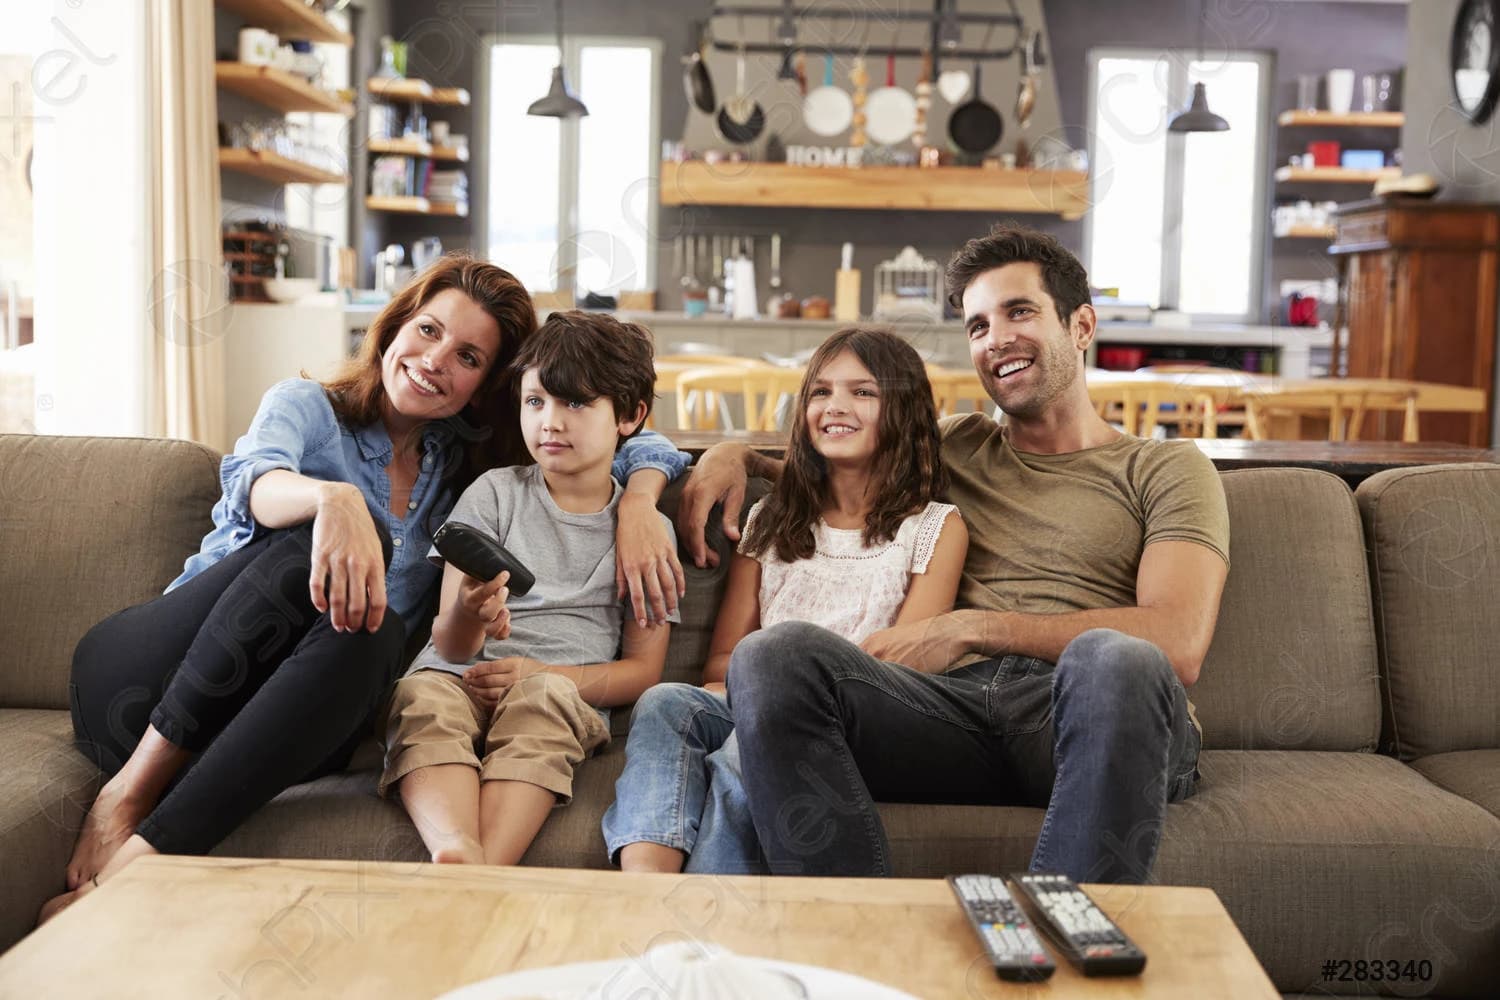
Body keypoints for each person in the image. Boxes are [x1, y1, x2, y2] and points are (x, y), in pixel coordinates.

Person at [46, 258, 689, 922]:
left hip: (272, 733)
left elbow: (619, 425)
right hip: (152, 683)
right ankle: (129, 792)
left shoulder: (467, 466)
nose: (436, 359)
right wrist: (335, 499)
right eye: (428, 329)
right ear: (395, 325)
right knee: (320, 549)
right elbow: (257, 487)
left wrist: (642, 500)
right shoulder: (307, 409)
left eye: (467, 356)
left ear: (485, 387)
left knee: (376, 634)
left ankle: (138, 864)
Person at [676, 225, 1230, 884]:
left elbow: (1179, 640)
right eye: (976, 326)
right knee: (773, 653)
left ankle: (1068, 941)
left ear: (1082, 325)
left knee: (1114, 656)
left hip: (1086, 708)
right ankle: (850, 945)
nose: (995, 338)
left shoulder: (1166, 468)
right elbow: (834, 455)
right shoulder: (956, 445)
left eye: (1018, 312)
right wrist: (729, 455)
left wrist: (978, 628)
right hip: (949, 713)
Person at [602, 328, 967, 874]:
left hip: (858, 722)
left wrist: (773, 705)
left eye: (862, 392)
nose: (834, 406)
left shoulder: (936, 527)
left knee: (749, 744)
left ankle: (712, 911)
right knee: (664, 703)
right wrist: (750, 697)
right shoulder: (770, 521)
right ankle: (644, 890)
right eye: (820, 392)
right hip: (750, 699)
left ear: (905, 411)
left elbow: (904, 666)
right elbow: (723, 662)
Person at [382, 311, 679, 866]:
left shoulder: (648, 535)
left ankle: (484, 868)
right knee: (421, 697)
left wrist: (538, 674)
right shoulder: (493, 494)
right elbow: (449, 646)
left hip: (558, 691)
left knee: (541, 704)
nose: (551, 423)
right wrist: (470, 611)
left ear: (631, 416)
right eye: (536, 401)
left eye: (577, 403)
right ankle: (455, 849)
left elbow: (644, 672)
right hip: (460, 675)